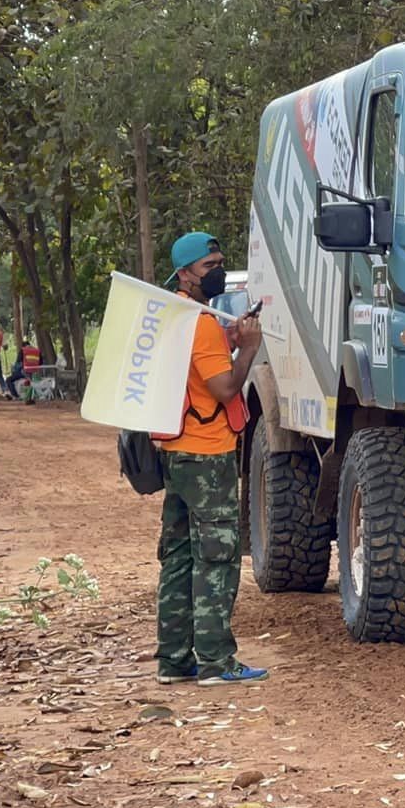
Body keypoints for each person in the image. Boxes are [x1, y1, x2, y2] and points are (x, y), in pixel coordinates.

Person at [153, 231, 266, 686]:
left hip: (178, 452)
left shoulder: (179, 316)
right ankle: (217, 662)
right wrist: (250, 350)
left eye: (221, 261)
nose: (217, 271)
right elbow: (222, 389)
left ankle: (174, 659)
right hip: (207, 453)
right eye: (209, 266)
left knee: (178, 555)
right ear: (185, 274)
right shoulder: (199, 323)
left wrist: (233, 343)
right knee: (216, 556)